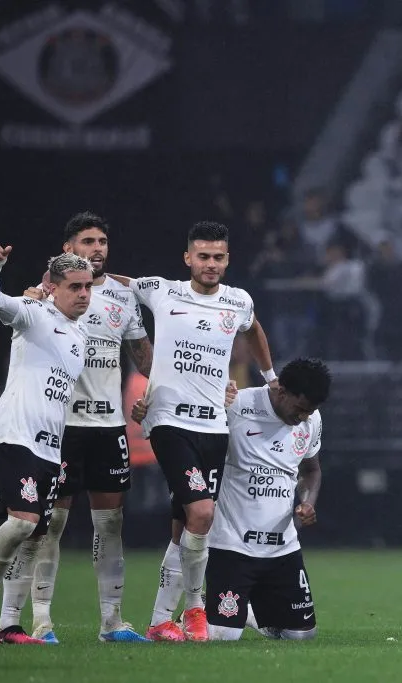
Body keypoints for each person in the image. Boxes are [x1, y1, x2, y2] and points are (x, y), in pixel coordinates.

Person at [110, 221, 276, 642]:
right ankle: (196, 608)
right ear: (188, 258)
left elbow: (253, 328)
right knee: (203, 513)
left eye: (218, 257)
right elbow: (116, 281)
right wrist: (63, 273)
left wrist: (270, 375)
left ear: (227, 259)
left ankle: (162, 620)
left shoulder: (237, 301)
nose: (211, 264)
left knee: (186, 526)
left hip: (213, 424)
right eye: (203, 256)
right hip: (167, 421)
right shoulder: (163, 291)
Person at [0, 212, 154, 644]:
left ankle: (112, 622)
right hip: (61, 426)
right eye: (88, 241)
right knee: (48, 525)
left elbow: (144, 359)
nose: (98, 247)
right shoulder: (47, 296)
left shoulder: (123, 298)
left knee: (111, 525)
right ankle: (42, 621)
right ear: (68, 250)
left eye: (103, 240)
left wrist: (156, 394)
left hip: (108, 427)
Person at [131, 358, 330, 641]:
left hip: (282, 549)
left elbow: (311, 469)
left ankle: (248, 612)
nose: (303, 418)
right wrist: (149, 411)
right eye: (299, 409)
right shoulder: (238, 405)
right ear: (281, 391)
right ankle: (199, 612)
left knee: (302, 636)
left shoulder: (312, 420)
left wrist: (308, 501)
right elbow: (187, 422)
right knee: (223, 636)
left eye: (309, 412)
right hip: (232, 546)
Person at [0, 247, 92, 645]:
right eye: (74, 287)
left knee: (35, 536)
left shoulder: (79, 334)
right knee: (22, 521)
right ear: (51, 287)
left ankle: (10, 625)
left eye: (87, 287)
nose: (83, 294)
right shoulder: (32, 312)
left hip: (48, 448)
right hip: (13, 433)